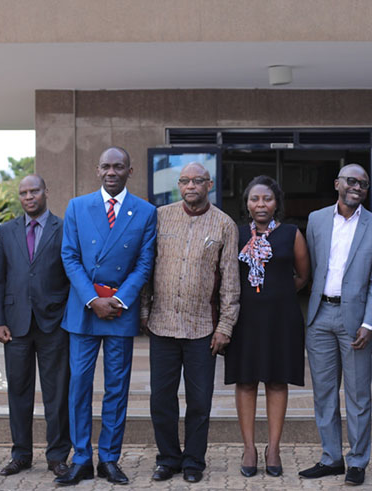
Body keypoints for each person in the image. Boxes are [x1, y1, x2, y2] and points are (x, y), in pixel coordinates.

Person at [56, 146, 157, 486]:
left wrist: (118, 300)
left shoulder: (145, 211)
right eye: (106, 166)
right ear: (97, 170)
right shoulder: (77, 206)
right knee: (79, 386)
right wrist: (92, 299)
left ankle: (109, 459)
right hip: (84, 310)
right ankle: (81, 458)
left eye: (118, 166)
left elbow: (144, 262)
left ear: (130, 171)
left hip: (119, 311)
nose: (111, 172)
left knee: (116, 388)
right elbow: (69, 256)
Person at [140, 163, 240, 484]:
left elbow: (230, 282)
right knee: (161, 399)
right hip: (162, 324)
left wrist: (225, 326)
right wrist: (144, 311)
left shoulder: (225, 225)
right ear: (179, 185)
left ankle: (194, 461)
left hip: (202, 329)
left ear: (209, 184)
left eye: (198, 180)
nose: (190, 186)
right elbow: (146, 266)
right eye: (184, 181)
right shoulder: (160, 217)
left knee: (199, 401)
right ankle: (168, 458)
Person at [299, 164, 372, 486]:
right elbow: (309, 266)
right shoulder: (316, 220)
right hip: (319, 315)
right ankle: (331, 458)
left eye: (363, 184)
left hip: (356, 321)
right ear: (337, 183)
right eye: (351, 181)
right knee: (324, 394)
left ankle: (358, 461)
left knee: (358, 395)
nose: (357, 187)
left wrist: (369, 323)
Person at [224, 175, 309, 479]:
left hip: (281, 319)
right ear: (246, 204)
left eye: (267, 199)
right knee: (245, 381)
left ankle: (273, 448)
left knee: (276, 381)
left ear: (276, 203)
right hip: (244, 319)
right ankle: (249, 448)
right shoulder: (234, 233)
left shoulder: (291, 234)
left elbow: (302, 276)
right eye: (255, 199)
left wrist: (277, 294)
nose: (261, 204)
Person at [0, 174, 71, 479]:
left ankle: (57, 456)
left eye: (34, 191)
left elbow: (71, 274)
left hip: (54, 323)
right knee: (18, 393)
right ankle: (21, 454)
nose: (28, 197)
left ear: (45, 191)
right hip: (16, 325)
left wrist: (68, 318)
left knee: (57, 394)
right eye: (23, 192)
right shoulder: (5, 231)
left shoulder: (64, 228)